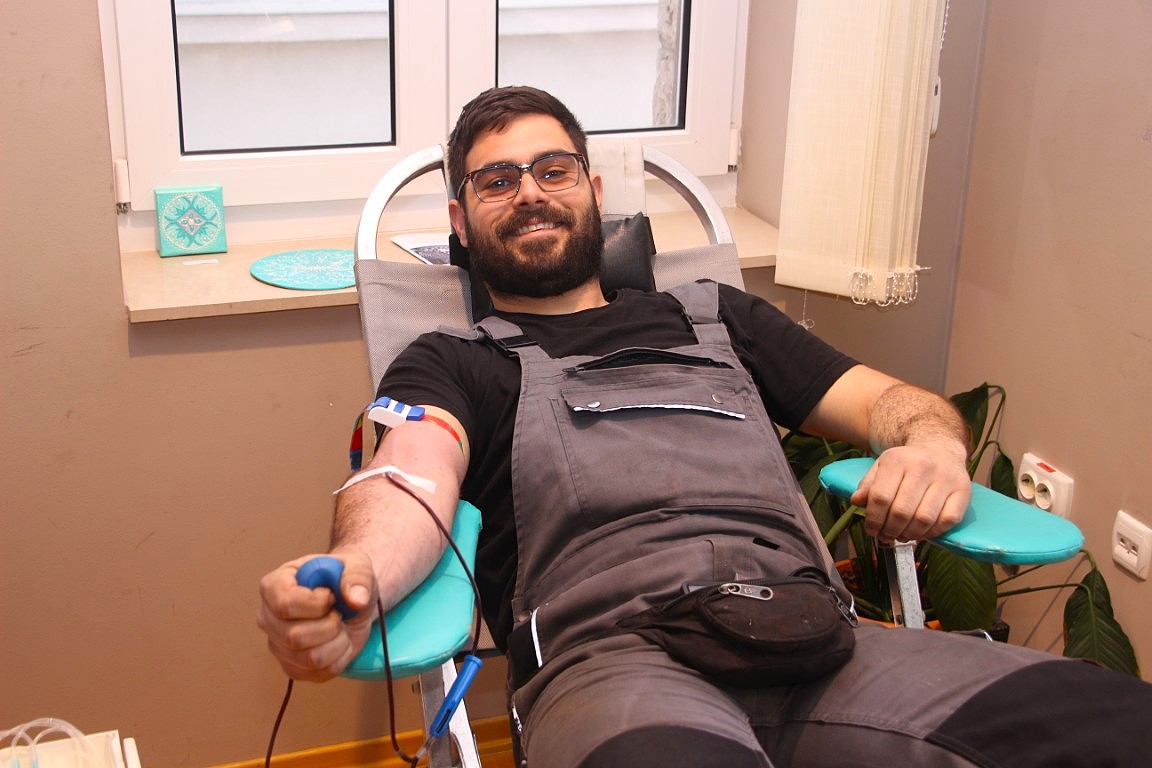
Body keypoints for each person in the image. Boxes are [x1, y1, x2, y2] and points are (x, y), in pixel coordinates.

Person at [258, 86, 1152, 766]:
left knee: (1116, 728)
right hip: (613, 666)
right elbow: (407, 478)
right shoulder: (453, 361)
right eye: (497, 181)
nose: (529, 193)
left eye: (553, 169)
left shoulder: (720, 316)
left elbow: (897, 404)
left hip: (820, 644)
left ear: (592, 191)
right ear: (461, 221)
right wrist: (360, 573)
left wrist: (935, 446)